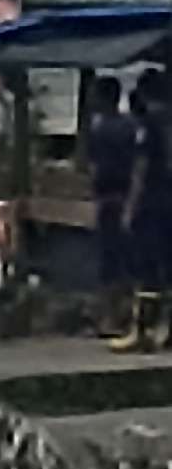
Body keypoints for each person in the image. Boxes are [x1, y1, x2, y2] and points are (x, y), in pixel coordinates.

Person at [88, 71, 140, 345]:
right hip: (124, 198)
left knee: (110, 262)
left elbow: (95, 167)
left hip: (111, 200)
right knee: (123, 261)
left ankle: (111, 318)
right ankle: (121, 316)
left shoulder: (101, 127)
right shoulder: (130, 125)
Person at [128, 70, 172, 349]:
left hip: (152, 203)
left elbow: (140, 169)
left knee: (147, 267)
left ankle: (142, 329)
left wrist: (130, 207)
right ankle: (166, 330)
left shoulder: (149, 124)